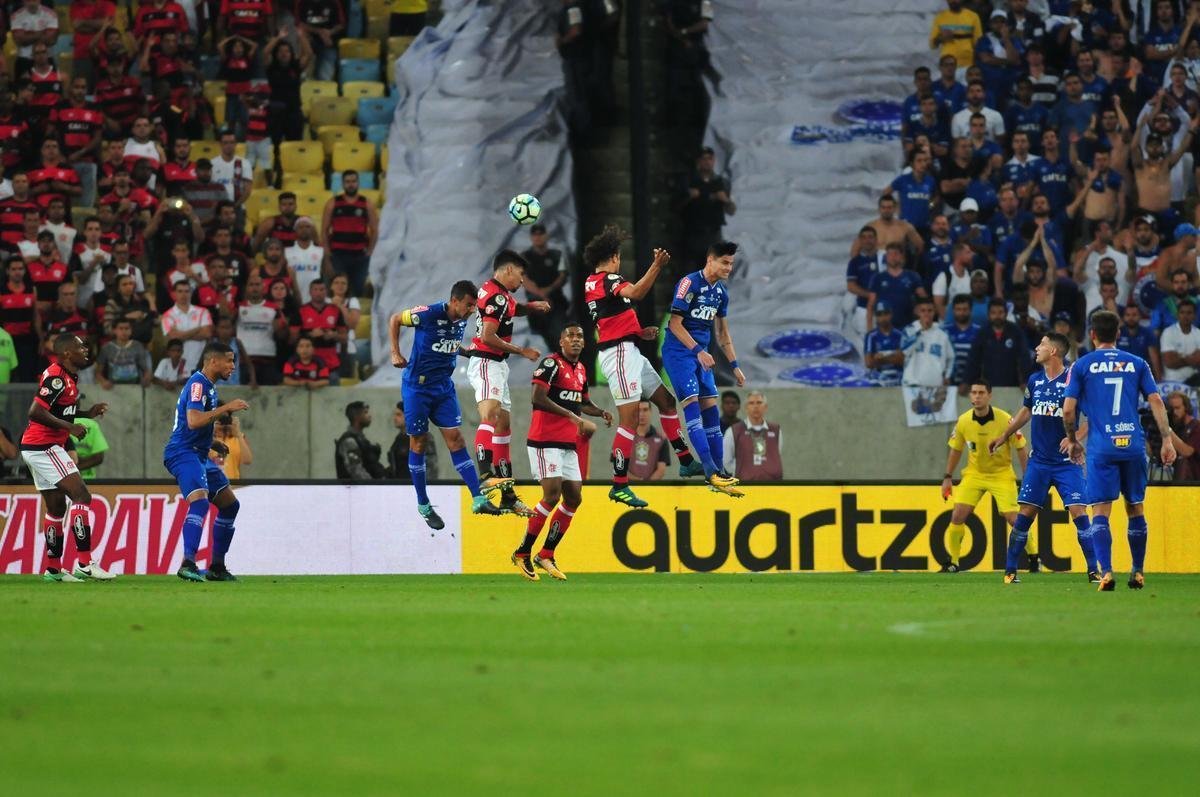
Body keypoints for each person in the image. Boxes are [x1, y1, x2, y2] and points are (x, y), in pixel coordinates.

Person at [582, 226, 702, 508]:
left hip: (630, 350)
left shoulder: (597, 283)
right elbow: (636, 292)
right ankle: (619, 485)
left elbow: (613, 316)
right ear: (613, 257)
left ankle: (685, 461)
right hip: (619, 356)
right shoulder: (606, 278)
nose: (620, 262)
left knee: (666, 401)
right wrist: (657, 266)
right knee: (630, 420)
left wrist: (639, 332)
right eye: (619, 257)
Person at [1064, 310, 1176, 591]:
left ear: (1092, 335)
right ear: (1117, 334)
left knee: (1101, 509)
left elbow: (1068, 409)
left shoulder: (1081, 365)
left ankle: (1107, 572)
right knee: (1135, 507)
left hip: (1102, 448)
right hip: (1133, 446)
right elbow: (1157, 402)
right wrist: (1167, 440)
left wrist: (1073, 439)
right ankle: (1138, 571)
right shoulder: (1137, 362)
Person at [388, 280, 508, 525]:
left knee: (456, 439)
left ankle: (478, 498)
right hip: (417, 388)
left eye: (474, 306)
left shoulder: (462, 319)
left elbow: (448, 345)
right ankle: (423, 504)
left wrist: (467, 352)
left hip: (443, 387)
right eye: (468, 305)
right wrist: (395, 352)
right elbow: (395, 319)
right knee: (419, 443)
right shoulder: (428, 313)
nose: (472, 310)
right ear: (454, 301)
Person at [989, 333, 1096, 583]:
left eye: (1042, 345)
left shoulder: (1074, 379)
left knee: (1079, 512)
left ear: (1054, 351)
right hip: (1039, 462)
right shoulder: (1035, 380)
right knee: (1025, 513)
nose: (1037, 348)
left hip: (1066, 463)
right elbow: (1026, 411)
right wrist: (1005, 435)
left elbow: (1092, 417)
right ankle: (1010, 572)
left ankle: (1093, 570)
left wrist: (1075, 438)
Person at [511, 322, 612, 581]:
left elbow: (583, 402)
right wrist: (572, 416)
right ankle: (522, 552)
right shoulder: (551, 364)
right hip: (545, 440)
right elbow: (537, 397)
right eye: (571, 336)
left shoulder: (580, 369)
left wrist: (600, 412)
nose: (576, 339)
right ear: (561, 342)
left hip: (567, 443)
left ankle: (546, 553)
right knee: (552, 495)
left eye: (580, 336)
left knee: (574, 498)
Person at [18, 336, 112, 581]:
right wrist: (70, 429)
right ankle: (84, 563)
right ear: (68, 353)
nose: (86, 350)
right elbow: (35, 411)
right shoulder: (57, 378)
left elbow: (59, 411)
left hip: (36, 447)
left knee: (57, 507)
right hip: (44, 446)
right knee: (82, 495)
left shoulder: (67, 377)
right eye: (81, 347)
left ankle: (53, 569)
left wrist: (87, 414)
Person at [464, 250, 548, 516]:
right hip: (487, 362)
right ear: (509, 270)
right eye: (521, 275)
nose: (522, 281)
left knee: (503, 426)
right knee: (490, 416)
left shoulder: (497, 293)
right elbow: (488, 336)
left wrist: (530, 307)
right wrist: (522, 351)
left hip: (496, 366)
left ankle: (508, 495)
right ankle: (485, 474)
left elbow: (510, 309)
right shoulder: (497, 296)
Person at [662, 240, 745, 493]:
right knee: (693, 407)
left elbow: (723, 335)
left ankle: (720, 472)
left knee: (711, 411)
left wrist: (735, 366)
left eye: (731, 263)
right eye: (725, 263)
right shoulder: (689, 283)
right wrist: (698, 351)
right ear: (711, 260)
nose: (729, 268)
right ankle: (709, 471)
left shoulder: (721, 293)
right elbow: (675, 324)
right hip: (680, 353)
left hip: (701, 355)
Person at [163, 341, 250, 582]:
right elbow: (192, 420)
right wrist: (226, 408)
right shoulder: (198, 385)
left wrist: (211, 444)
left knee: (230, 505)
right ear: (213, 361)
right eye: (229, 360)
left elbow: (189, 423)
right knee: (199, 503)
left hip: (199, 452)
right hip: (183, 452)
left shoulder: (208, 386)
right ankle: (188, 563)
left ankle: (217, 567)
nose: (233, 366)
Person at [939, 379, 1030, 572]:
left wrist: (1028, 477)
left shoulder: (1005, 419)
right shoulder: (964, 421)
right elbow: (955, 449)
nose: (977, 396)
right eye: (974, 393)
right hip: (975, 474)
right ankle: (953, 562)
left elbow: (1021, 448)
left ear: (990, 395)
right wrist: (947, 476)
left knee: (1015, 519)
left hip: (1001, 474)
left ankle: (1034, 557)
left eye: (981, 393)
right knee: (958, 514)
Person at [320, 171, 378, 297]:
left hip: (360, 257)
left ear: (358, 183)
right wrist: (327, 255)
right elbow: (324, 231)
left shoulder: (367, 203)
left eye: (353, 181)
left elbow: (375, 230)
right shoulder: (333, 203)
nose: (351, 185)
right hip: (338, 256)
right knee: (337, 292)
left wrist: (369, 252)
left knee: (357, 291)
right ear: (343, 184)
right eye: (347, 182)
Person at [680, 147, 736, 271]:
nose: (707, 162)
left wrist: (725, 199)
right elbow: (675, 206)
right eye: (703, 159)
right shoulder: (690, 180)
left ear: (714, 161)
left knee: (713, 272)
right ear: (698, 161)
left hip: (713, 233)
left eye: (709, 159)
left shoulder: (721, 182)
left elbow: (731, 210)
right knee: (691, 272)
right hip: (693, 233)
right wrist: (688, 196)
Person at [519, 223, 570, 353]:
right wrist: (542, 295)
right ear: (531, 237)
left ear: (546, 236)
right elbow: (523, 279)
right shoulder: (525, 257)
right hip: (535, 303)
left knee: (560, 333)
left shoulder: (556, 255)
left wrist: (549, 290)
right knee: (542, 335)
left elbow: (563, 275)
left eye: (540, 234)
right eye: (534, 235)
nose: (538, 238)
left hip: (556, 301)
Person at [965, 297, 1030, 387]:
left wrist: (1025, 381)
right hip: (988, 385)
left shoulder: (1016, 332)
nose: (997, 316)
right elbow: (973, 360)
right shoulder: (982, 333)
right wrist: (967, 381)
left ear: (1006, 313)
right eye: (993, 313)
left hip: (1012, 385)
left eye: (1000, 312)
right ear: (988, 314)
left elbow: (1024, 358)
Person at [722, 391, 782, 482]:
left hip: (773, 484)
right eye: (751, 403)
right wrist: (742, 470)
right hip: (745, 485)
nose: (755, 406)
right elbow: (726, 460)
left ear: (765, 407)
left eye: (759, 403)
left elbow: (776, 454)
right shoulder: (733, 431)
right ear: (746, 407)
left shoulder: (775, 430)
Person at [161, 280, 213, 371]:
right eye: (180, 291)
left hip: (201, 364)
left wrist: (181, 334)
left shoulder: (203, 312)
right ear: (174, 294)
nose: (184, 294)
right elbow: (174, 338)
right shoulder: (167, 315)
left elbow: (207, 333)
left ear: (191, 293)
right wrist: (198, 329)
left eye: (187, 291)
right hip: (178, 366)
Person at [902, 297, 954, 387]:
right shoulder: (909, 330)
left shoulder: (942, 333)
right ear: (918, 312)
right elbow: (904, 353)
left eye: (930, 311)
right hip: (912, 384)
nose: (926, 314)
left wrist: (947, 376)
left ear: (934, 312)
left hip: (935, 384)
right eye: (923, 311)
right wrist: (919, 332)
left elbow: (951, 357)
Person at [385, 401, 439, 481]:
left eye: (399, 415)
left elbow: (430, 466)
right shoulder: (399, 438)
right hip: (400, 487)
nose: (395, 418)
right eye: (395, 414)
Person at [335, 402, 387, 480]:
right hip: (358, 490)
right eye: (365, 412)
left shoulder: (361, 439)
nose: (370, 416)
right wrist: (375, 486)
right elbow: (356, 471)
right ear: (357, 417)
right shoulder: (349, 441)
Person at [96, 317, 152, 387]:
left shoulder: (137, 346)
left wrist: (146, 379)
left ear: (131, 330)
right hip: (113, 388)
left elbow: (146, 370)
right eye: (121, 328)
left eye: (127, 328)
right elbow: (98, 372)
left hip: (135, 387)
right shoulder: (106, 348)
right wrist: (103, 381)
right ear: (114, 330)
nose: (124, 331)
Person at [1159, 297, 1200, 385]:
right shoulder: (1168, 332)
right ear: (1177, 315)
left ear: (1194, 315)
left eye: (1189, 313)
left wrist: (1180, 357)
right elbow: (1170, 362)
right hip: (1172, 382)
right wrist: (1192, 358)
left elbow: (1199, 361)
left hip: (1194, 381)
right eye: (1182, 312)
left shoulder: (1198, 333)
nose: (1185, 316)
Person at [864, 302, 904, 386]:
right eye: (879, 314)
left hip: (898, 376)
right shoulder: (871, 336)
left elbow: (903, 360)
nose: (883, 317)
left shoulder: (900, 335)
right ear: (876, 316)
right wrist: (894, 356)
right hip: (879, 377)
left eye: (886, 313)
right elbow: (868, 363)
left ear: (891, 314)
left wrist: (881, 358)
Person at [629, 400, 670, 481]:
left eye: (645, 410)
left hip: (651, 490)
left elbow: (661, 470)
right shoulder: (625, 435)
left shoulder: (661, 439)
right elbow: (617, 467)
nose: (641, 414)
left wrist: (646, 486)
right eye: (638, 410)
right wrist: (638, 483)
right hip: (626, 488)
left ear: (651, 411)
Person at [1166, 391, 1200, 481]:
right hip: (1178, 484)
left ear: (1186, 408)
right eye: (1171, 409)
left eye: (1177, 408)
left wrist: (1167, 430)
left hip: (1195, 484)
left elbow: (1187, 452)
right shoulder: (1176, 427)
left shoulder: (1196, 426)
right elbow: (1153, 453)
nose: (1174, 412)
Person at [68, 413, 109, 480]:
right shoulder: (92, 424)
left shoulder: (61, 423)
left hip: (65, 479)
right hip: (88, 480)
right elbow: (99, 457)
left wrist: (73, 471)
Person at [212, 413, 251, 480]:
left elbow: (247, 460)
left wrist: (238, 433)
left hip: (233, 485)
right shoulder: (206, 439)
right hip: (212, 486)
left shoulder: (238, 438)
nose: (220, 420)